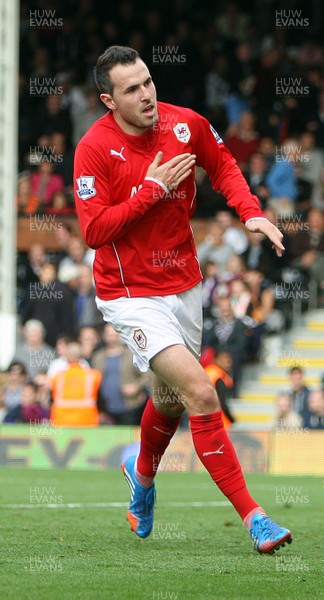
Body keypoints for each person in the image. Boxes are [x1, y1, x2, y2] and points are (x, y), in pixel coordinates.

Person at [74, 45, 291, 554]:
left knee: (169, 399)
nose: (146, 94)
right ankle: (255, 518)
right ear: (109, 101)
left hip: (185, 285)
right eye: (132, 89)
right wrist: (148, 190)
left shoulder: (184, 123)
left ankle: (141, 476)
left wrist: (250, 212)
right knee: (200, 392)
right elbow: (93, 230)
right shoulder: (93, 149)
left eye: (148, 81)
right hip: (130, 294)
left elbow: (225, 166)